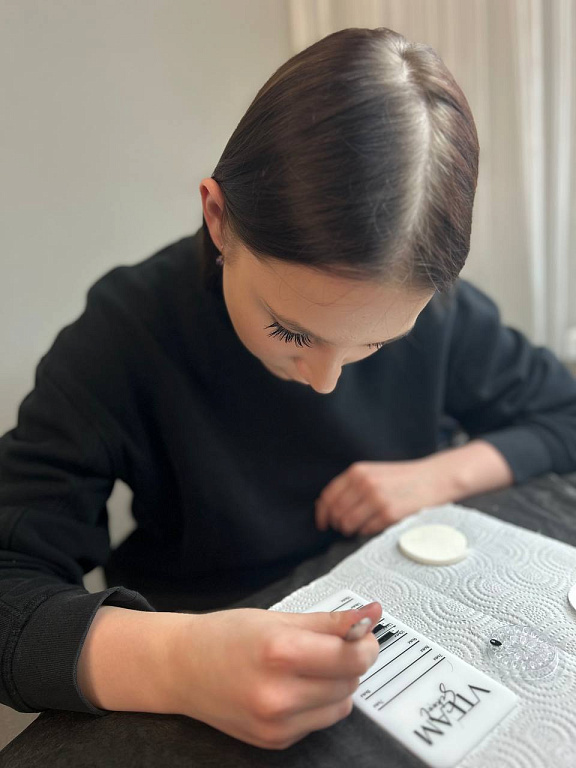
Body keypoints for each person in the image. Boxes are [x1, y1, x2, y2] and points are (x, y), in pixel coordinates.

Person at [1, 26, 575, 752]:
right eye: (292, 332)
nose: (326, 381)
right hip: (205, 633)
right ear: (219, 220)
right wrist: (175, 662)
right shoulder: (124, 332)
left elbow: (563, 411)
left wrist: (441, 474)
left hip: (394, 613)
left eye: (376, 343)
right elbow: (10, 579)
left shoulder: (444, 315)